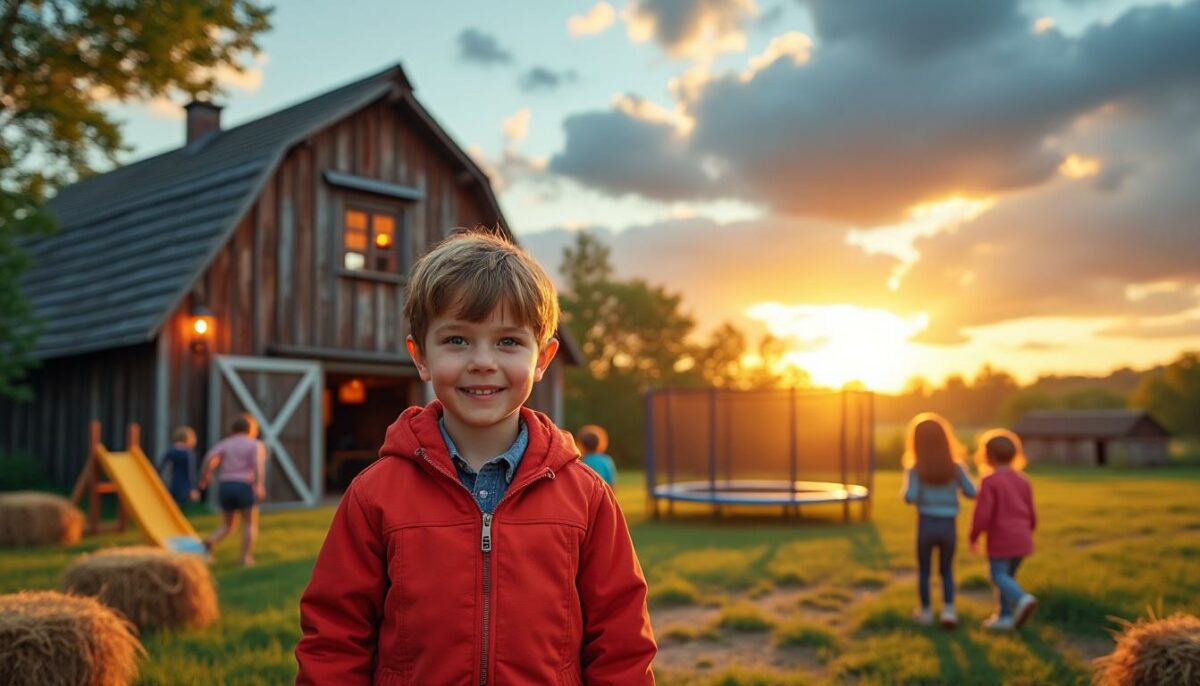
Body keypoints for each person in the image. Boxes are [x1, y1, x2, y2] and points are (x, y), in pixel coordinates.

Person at [295, 230, 656, 685]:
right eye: (457, 341)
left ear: (542, 358)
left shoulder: (587, 498)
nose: (482, 361)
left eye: (507, 342)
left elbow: (622, 644)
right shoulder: (374, 496)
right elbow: (334, 639)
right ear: (420, 356)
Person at [902, 412, 976, 629]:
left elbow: (910, 497)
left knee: (924, 570)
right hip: (948, 526)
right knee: (946, 570)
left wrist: (913, 489)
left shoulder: (915, 468)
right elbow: (972, 492)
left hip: (926, 524)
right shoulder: (956, 467)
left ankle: (925, 612)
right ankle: (949, 611)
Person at [969, 428, 1038, 631]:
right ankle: (1004, 616)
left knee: (997, 576)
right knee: (1008, 578)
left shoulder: (989, 481)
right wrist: (1029, 530)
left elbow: (982, 514)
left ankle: (1022, 599)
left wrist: (973, 536)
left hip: (1001, 540)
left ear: (987, 456)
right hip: (1023, 538)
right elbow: (1031, 511)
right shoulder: (1023, 480)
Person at [198, 413, 267, 567]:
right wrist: (259, 485)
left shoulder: (226, 443)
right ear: (251, 429)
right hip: (244, 485)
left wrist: (205, 476)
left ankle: (210, 542)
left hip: (226, 486)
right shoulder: (254, 444)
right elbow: (257, 464)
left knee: (228, 524)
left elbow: (210, 457)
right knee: (249, 523)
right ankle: (245, 558)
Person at [159, 426, 199, 509]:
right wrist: (193, 488)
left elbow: (161, 466)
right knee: (181, 508)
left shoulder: (171, 450)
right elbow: (190, 471)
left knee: (171, 506)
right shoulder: (188, 453)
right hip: (185, 485)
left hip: (172, 483)